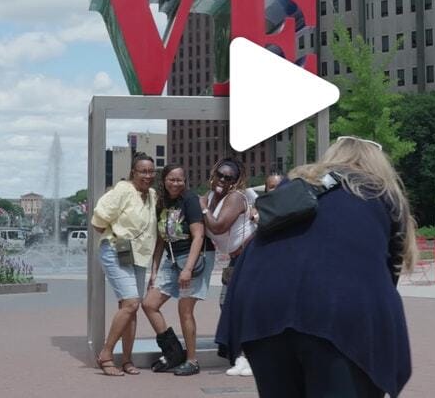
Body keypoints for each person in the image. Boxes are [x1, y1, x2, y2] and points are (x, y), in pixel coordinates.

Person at [217, 136, 416, 398]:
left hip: (260, 305)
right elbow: (390, 272)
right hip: (338, 309)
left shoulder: (295, 185)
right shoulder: (382, 194)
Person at [141, 164, 214, 376]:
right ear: (164, 180)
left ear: (185, 181)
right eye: (171, 179)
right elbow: (160, 241)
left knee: (185, 309)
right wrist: (154, 272)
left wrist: (188, 269)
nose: (175, 183)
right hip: (172, 259)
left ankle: (192, 361)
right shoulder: (162, 203)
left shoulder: (189, 200)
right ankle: (174, 352)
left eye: (179, 179)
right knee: (149, 304)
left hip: (194, 258)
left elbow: (199, 236)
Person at [92, 152, 158, 377]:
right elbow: (99, 220)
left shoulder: (152, 195)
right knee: (131, 303)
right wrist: (117, 234)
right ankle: (106, 354)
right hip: (115, 249)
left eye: (151, 171)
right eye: (143, 171)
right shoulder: (122, 189)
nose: (147, 175)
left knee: (131, 308)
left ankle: (127, 360)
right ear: (133, 172)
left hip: (138, 255)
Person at [201, 158, 257, 377]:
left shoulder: (234, 197)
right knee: (229, 304)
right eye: (220, 175)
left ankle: (248, 356)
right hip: (235, 260)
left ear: (236, 181)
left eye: (229, 178)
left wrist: (204, 209)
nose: (223, 180)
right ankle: (241, 354)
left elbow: (219, 225)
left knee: (240, 306)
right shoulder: (212, 197)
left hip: (250, 254)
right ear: (213, 174)